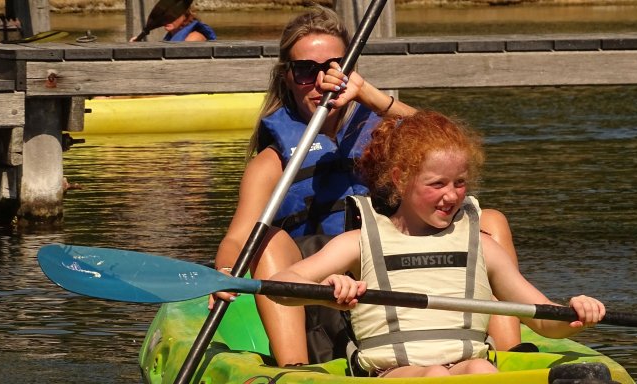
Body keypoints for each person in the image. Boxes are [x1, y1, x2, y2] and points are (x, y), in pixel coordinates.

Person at [213, 5, 520, 367]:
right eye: (305, 71)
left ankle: (513, 355)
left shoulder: (379, 134)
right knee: (264, 238)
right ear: (288, 77)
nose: (320, 81)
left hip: (390, 257)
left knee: (491, 221)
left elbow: (446, 142)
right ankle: (294, 367)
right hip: (318, 275)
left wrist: (370, 96)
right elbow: (238, 237)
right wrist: (223, 272)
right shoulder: (271, 160)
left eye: (333, 68)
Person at [269, 110, 606, 378]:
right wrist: (329, 292)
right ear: (401, 178)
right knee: (431, 374)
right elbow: (278, 286)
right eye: (438, 183)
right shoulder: (358, 242)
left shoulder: (482, 247)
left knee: (481, 369)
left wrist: (576, 315)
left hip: (464, 367)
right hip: (395, 373)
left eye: (460, 183)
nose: (451, 195)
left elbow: (545, 320)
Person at [129, 8, 216, 42]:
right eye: (164, 15)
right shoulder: (171, 37)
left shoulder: (194, 38)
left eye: (173, 15)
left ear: (185, 17)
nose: (167, 19)